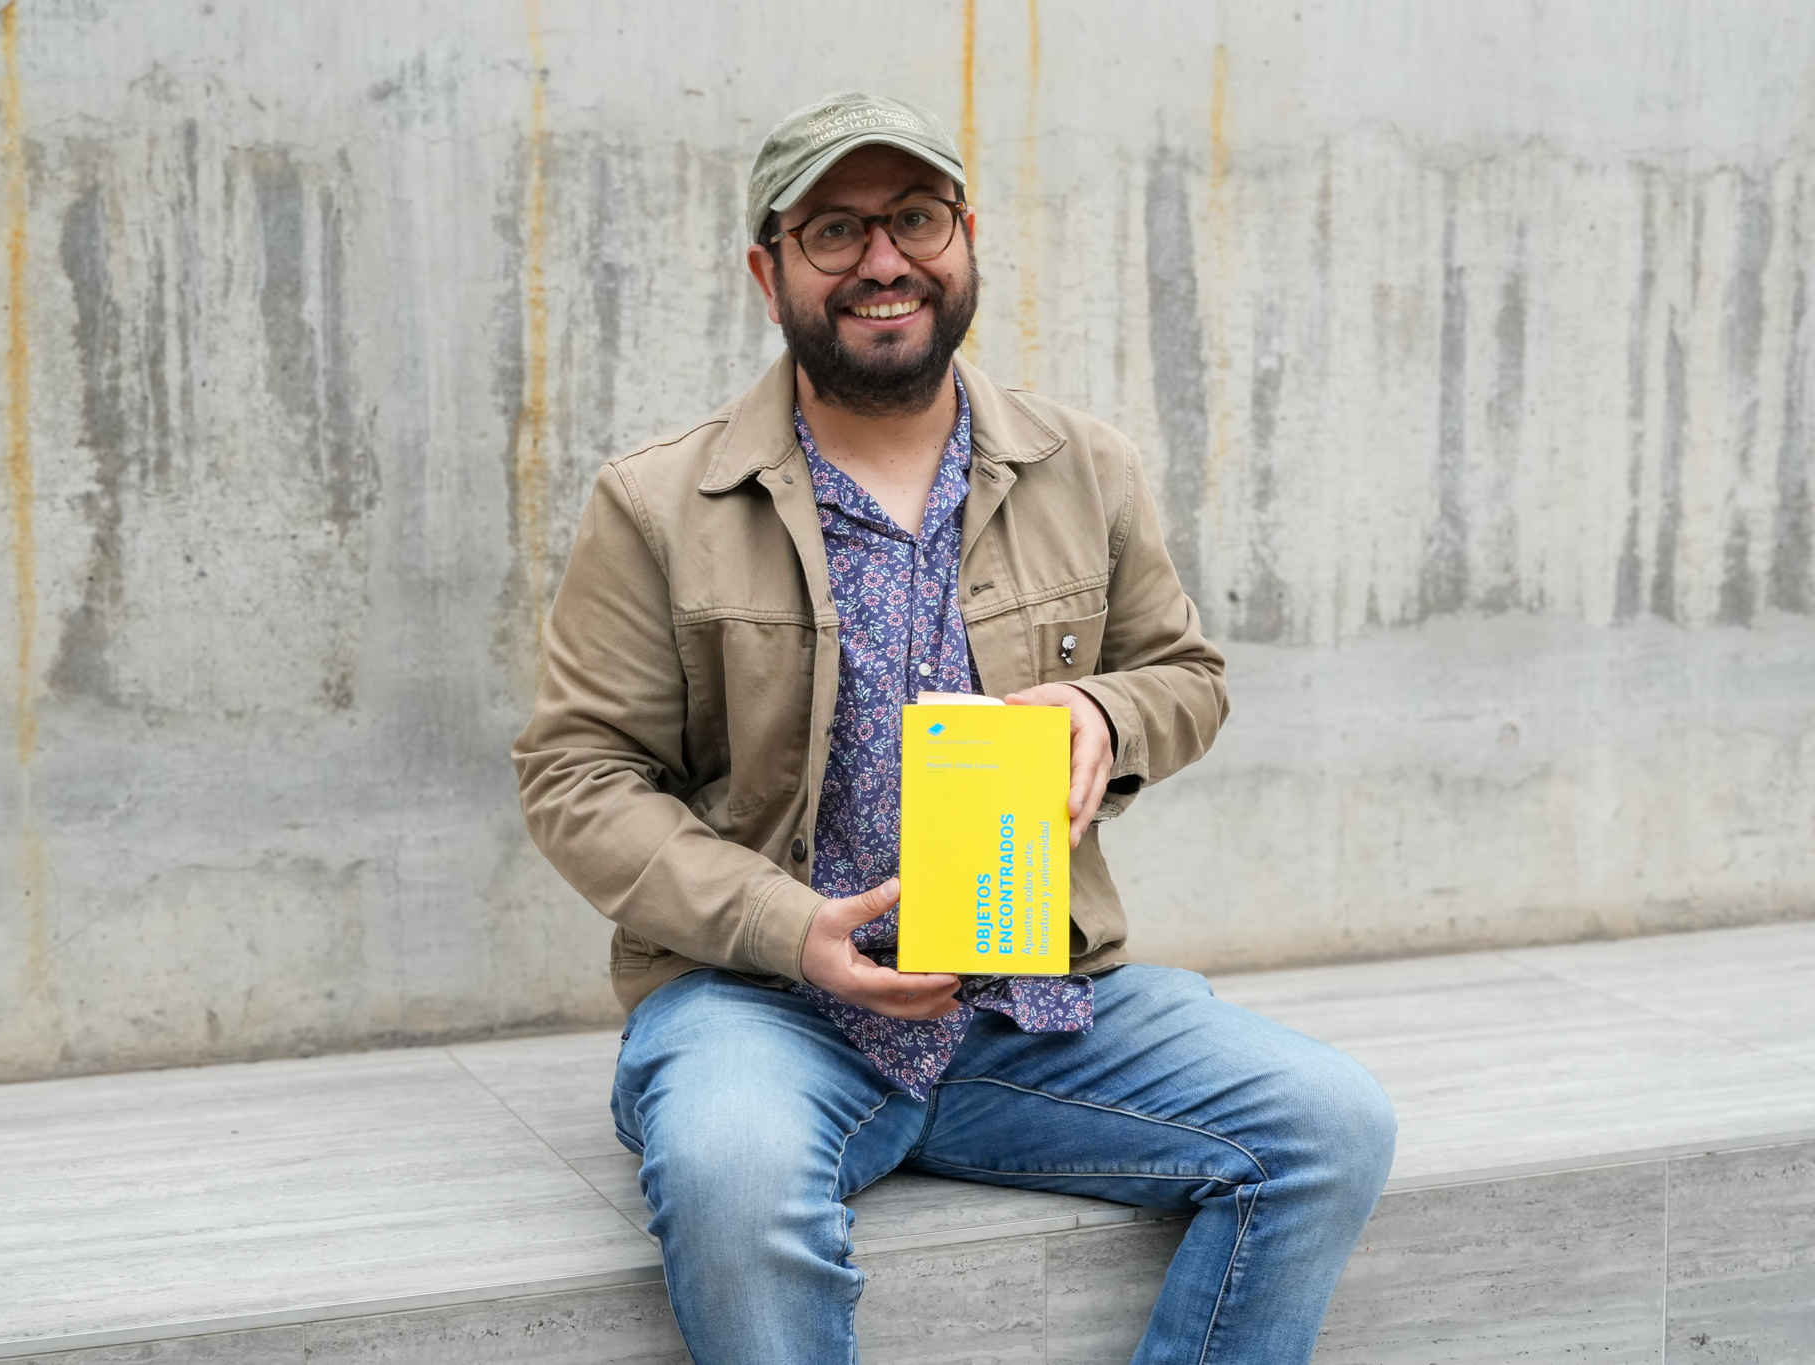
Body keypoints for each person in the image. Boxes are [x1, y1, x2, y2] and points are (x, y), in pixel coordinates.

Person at [513, 92, 1395, 1365]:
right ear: (767, 272)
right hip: (764, 1009)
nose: (883, 260)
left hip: (1028, 1006)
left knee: (1329, 1123)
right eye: (834, 230)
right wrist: (785, 929)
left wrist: (1104, 712)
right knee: (732, 1175)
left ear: (964, 239)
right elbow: (578, 775)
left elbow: (1185, 674)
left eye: (915, 219)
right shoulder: (658, 501)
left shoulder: (1082, 464)